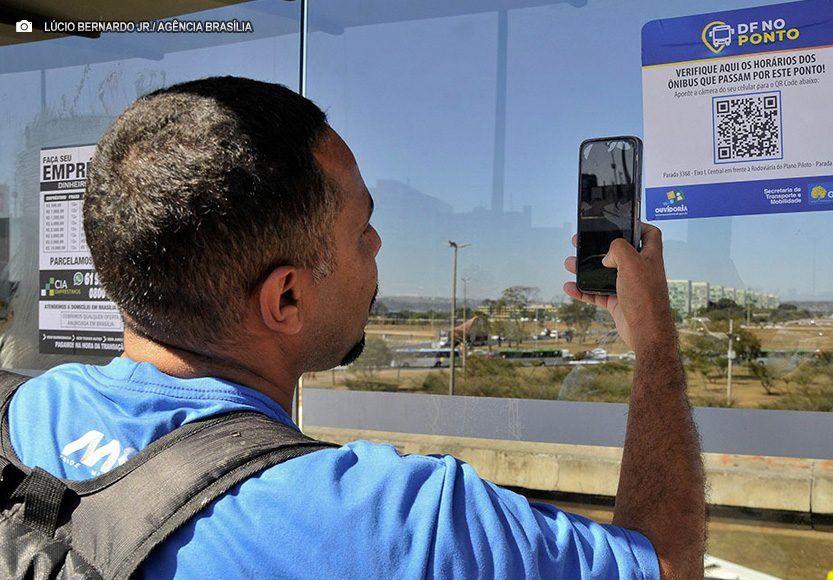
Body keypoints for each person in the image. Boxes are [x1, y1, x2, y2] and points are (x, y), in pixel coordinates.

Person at [6, 76, 705, 578]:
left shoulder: (20, 414)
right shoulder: (399, 525)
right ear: (285, 298)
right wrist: (655, 342)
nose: (376, 245)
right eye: (361, 229)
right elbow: (668, 564)